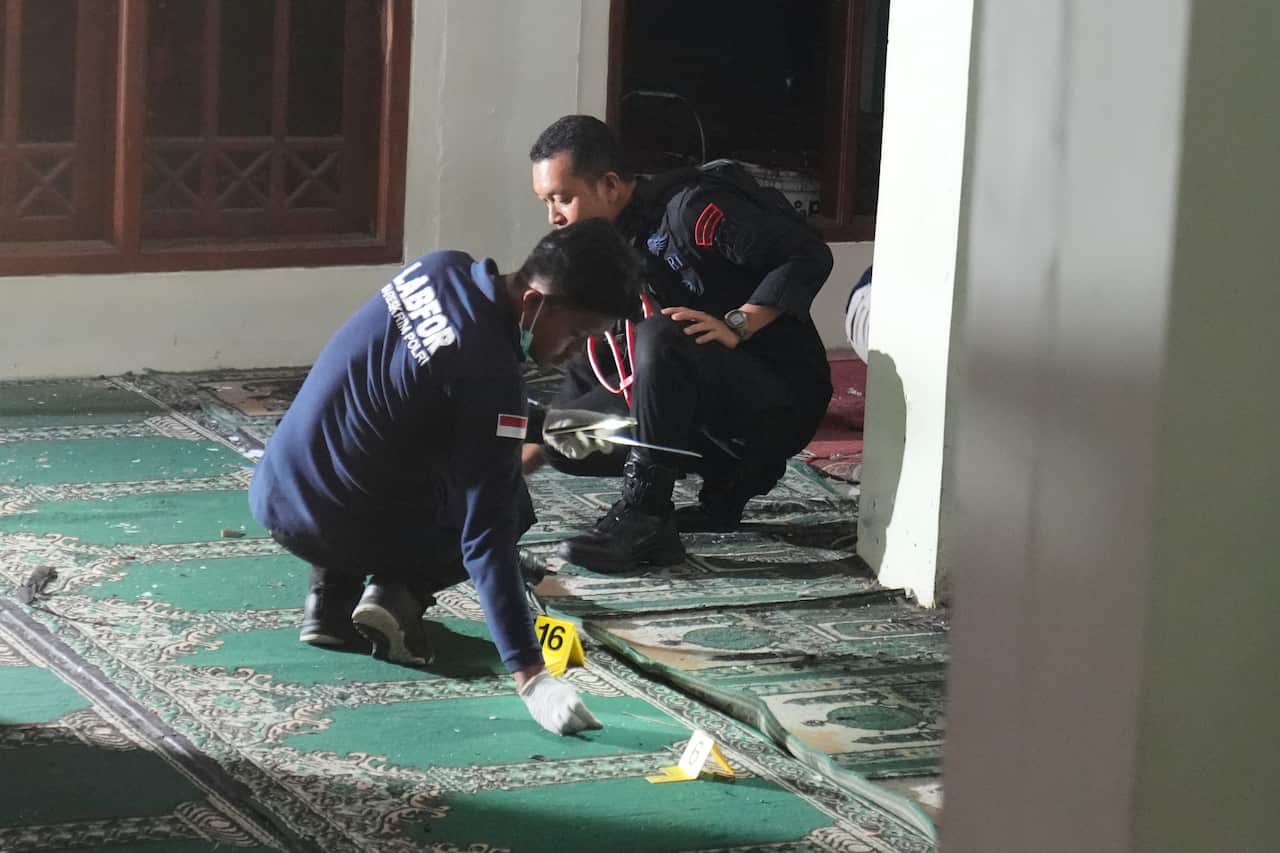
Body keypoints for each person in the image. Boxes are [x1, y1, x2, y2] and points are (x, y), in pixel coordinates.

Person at [248, 219, 642, 736]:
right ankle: (397, 592)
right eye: (576, 335)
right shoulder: (491, 375)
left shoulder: (440, 268)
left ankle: (329, 600)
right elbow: (486, 536)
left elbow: (438, 392)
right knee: (512, 505)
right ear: (536, 303)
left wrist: (545, 423)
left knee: (387, 435)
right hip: (339, 521)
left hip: (282, 487)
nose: (572, 352)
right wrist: (531, 678)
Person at [525, 115, 834, 573]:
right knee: (563, 434)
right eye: (545, 202)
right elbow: (596, 359)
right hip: (706, 401)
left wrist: (739, 324)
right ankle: (725, 481)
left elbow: (807, 254)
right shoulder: (609, 245)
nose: (554, 217)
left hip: (777, 401)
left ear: (610, 186)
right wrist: (537, 439)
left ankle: (645, 515)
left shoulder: (692, 210)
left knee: (662, 336)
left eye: (563, 198)